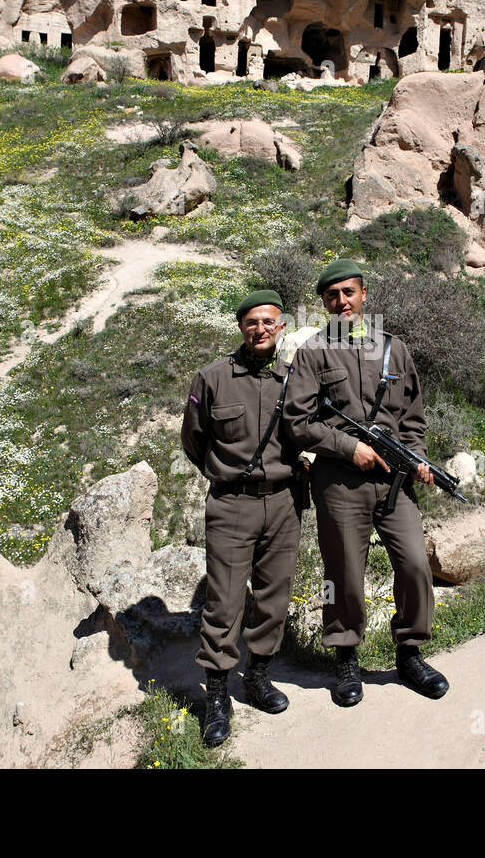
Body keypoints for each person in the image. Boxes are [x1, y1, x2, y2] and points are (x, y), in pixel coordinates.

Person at [282, 259, 449, 706]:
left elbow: (412, 417)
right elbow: (296, 422)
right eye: (332, 296)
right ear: (324, 303)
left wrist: (418, 460)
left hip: (394, 482)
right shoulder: (313, 352)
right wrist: (345, 446)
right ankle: (346, 658)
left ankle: (410, 653)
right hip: (339, 482)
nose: (342, 303)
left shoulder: (394, 349)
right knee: (344, 575)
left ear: (364, 294)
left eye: (349, 293)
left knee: (415, 563)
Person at [180, 289, 303, 746]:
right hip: (231, 504)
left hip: (285, 503)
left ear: (282, 326)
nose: (261, 329)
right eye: (252, 322)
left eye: (269, 321)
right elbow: (194, 440)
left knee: (274, 597)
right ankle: (216, 696)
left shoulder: (295, 380)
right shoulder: (212, 378)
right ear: (241, 328)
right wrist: (225, 476)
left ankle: (258, 677)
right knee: (224, 602)